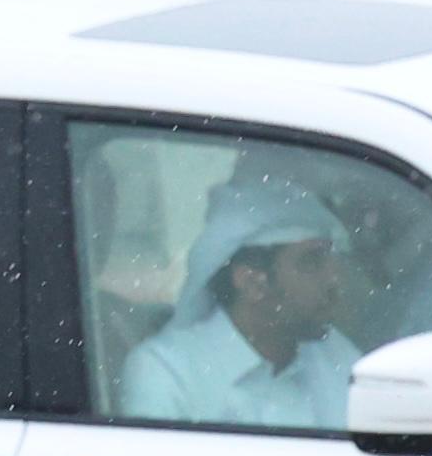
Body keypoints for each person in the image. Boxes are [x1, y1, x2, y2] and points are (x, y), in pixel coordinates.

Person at [118, 183, 356, 427]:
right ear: (252, 282)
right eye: (311, 263)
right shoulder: (167, 371)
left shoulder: (336, 358)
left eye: (331, 260)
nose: (333, 280)